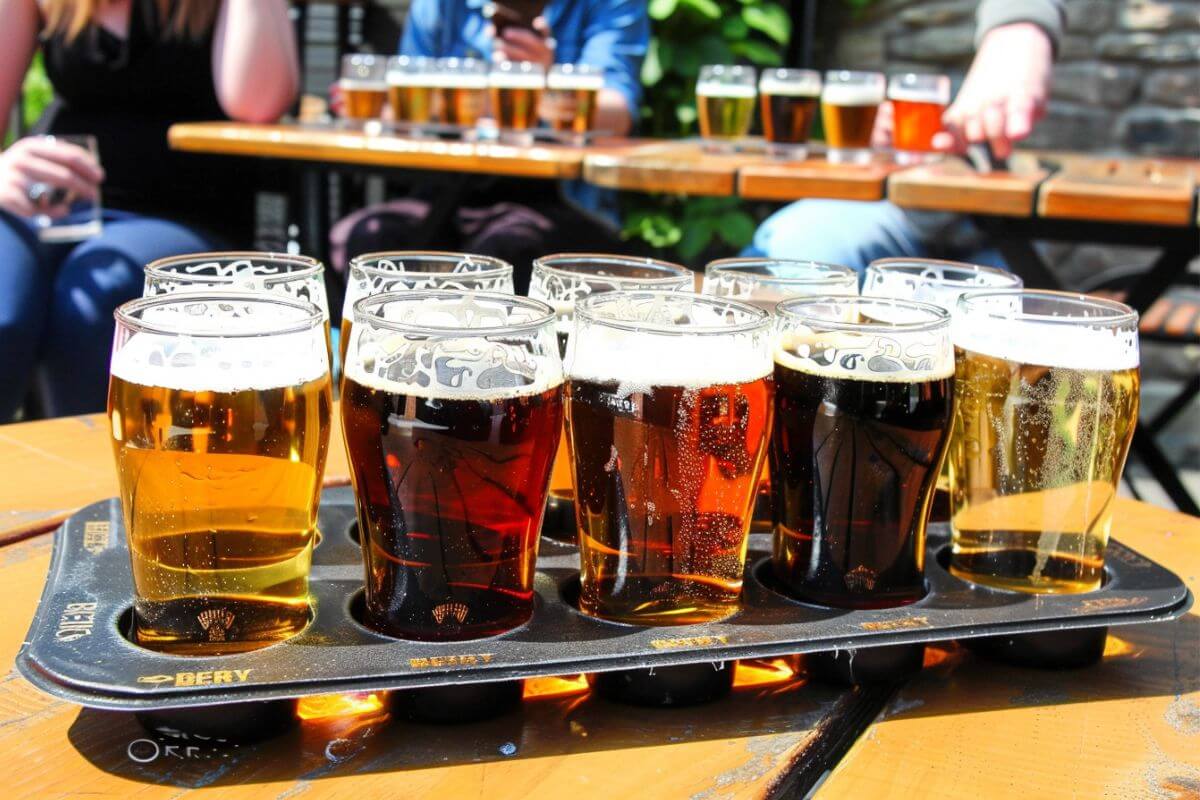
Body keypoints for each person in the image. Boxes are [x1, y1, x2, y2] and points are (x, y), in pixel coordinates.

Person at [0, 0, 299, 420]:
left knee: (94, 301)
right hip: (52, 206)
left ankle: (88, 483)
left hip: (183, 215)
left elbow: (258, 101)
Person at [331, 0, 650, 292]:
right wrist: (375, 110)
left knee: (508, 249)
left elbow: (617, 113)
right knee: (372, 239)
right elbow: (408, 105)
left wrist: (549, 83)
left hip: (558, 199)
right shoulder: (440, 6)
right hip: (446, 189)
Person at [745, 0, 1065, 273]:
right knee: (794, 251)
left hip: (1000, 218)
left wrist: (1025, 30)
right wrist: (879, 137)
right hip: (889, 204)